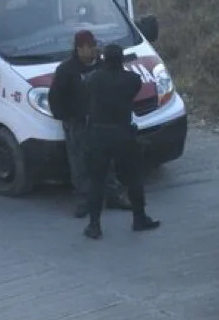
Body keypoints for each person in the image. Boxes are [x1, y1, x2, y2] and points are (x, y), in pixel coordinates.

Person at [48, 30, 131, 217]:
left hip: (102, 122)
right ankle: (85, 201)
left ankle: (113, 196)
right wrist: (68, 118)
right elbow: (56, 99)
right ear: (79, 48)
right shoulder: (66, 70)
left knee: (107, 162)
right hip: (78, 125)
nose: (94, 50)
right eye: (90, 47)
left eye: (95, 46)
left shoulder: (104, 66)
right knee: (80, 165)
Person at [83, 43, 160, 240]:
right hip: (123, 134)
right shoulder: (132, 80)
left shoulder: (93, 79)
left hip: (99, 135)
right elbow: (132, 84)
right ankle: (139, 217)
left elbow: (89, 86)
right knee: (134, 178)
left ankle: (94, 224)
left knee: (97, 181)